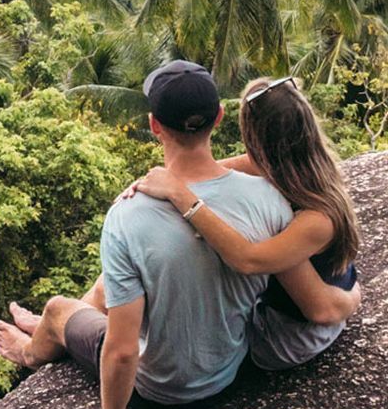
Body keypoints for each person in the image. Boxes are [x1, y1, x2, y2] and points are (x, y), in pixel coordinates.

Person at [0, 61, 359, 409]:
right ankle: (67, 320)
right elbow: (237, 170)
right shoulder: (272, 199)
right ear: (217, 118)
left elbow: (124, 349)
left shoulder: (126, 219)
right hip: (228, 371)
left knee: (59, 309)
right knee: (111, 282)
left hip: (163, 391)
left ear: (154, 125)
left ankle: (32, 350)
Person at [124, 74, 361, 371]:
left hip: (290, 336)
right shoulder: (296, 164)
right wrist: (169, 177)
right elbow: (221, 168)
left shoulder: (316, 218)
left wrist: (181, 194)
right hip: (297, 303)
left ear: (254, 137)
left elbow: (250, 263)